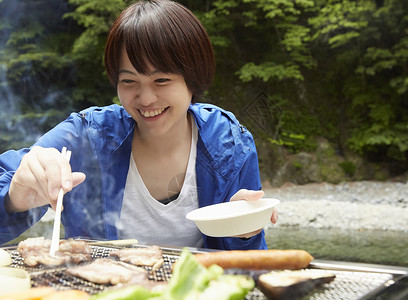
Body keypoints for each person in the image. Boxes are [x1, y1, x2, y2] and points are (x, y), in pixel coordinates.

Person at [0, 0, 277, 249]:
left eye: (161, 81)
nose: (145, 98)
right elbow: (12, 180)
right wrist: (14, 197)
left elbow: (250, 265)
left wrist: (243, 232)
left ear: (193, 80)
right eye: (129, 81)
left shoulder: (229, 143)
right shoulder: (86, 136)